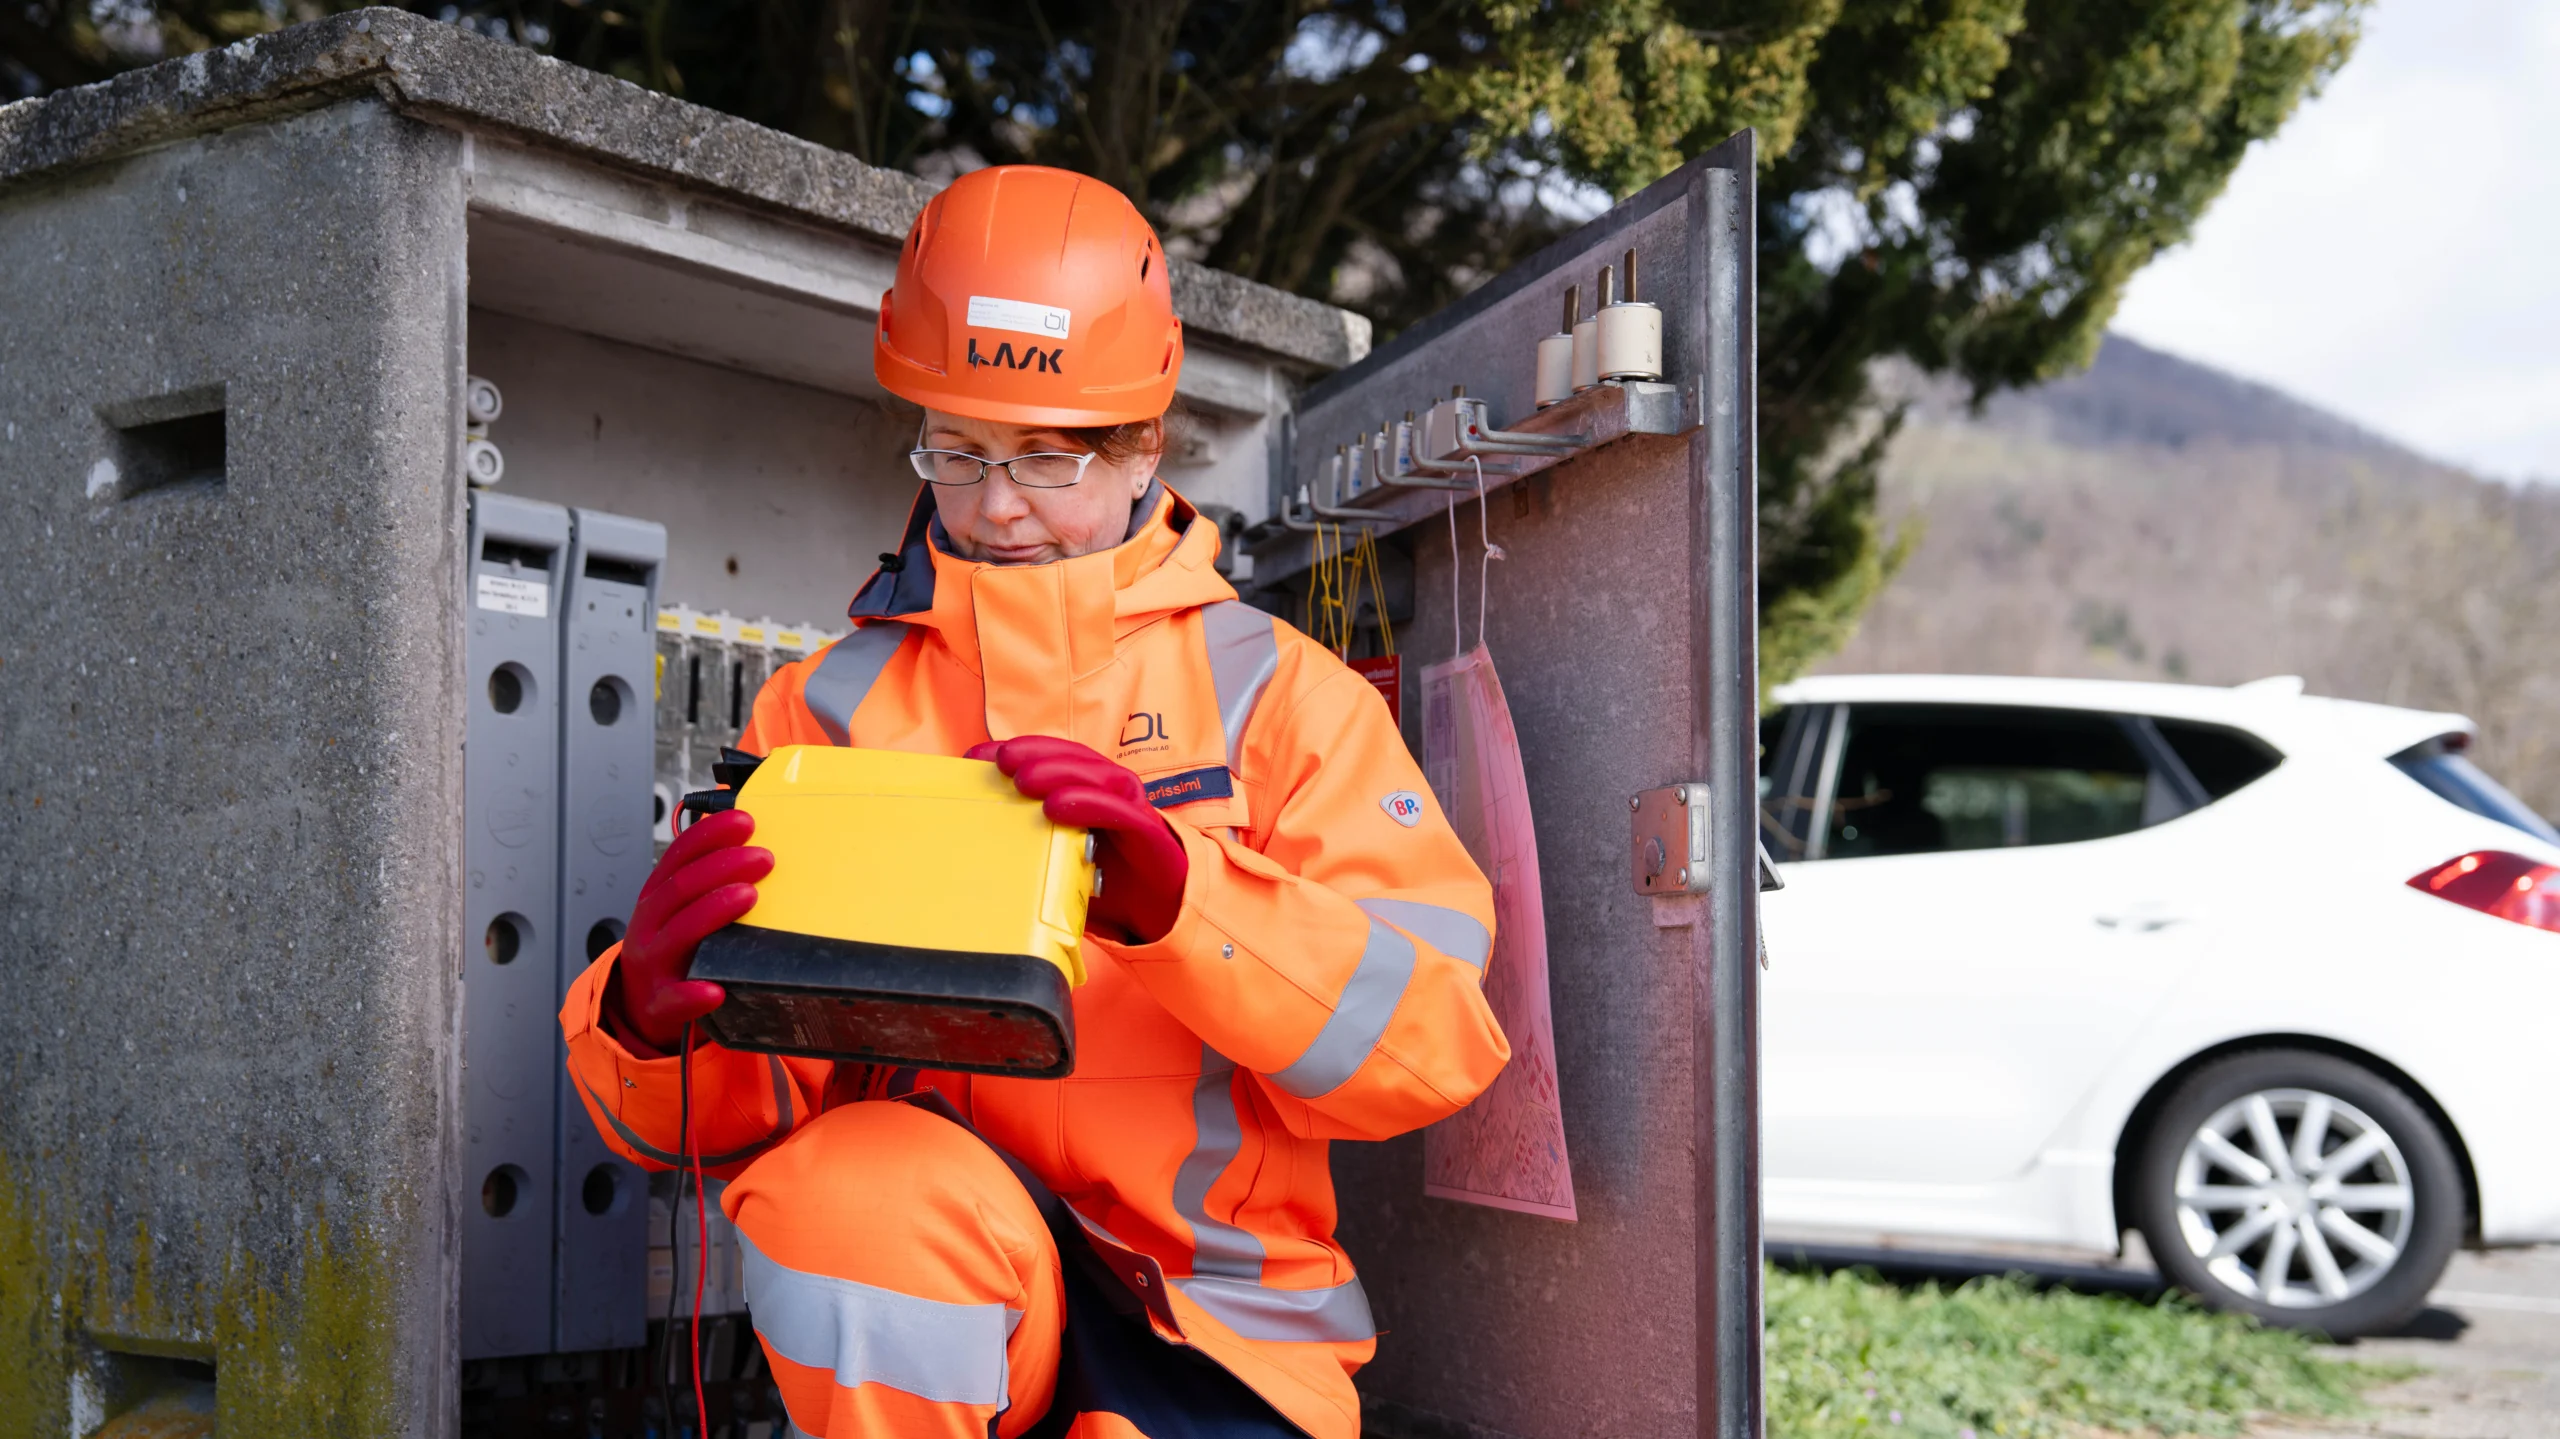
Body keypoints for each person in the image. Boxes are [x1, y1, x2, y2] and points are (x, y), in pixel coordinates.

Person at [561, 164, 1510, 1439]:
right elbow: (753, 1117)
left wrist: (1186, 901)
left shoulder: (1284, 697)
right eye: (956, 450)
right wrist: (649, 1019)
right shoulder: (820, 710)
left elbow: (1432, 1047)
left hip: (1222, 1327)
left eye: (1048, 458)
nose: (997, 504)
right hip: (944, 1300)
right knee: (845, 1190)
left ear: (1142, 448)